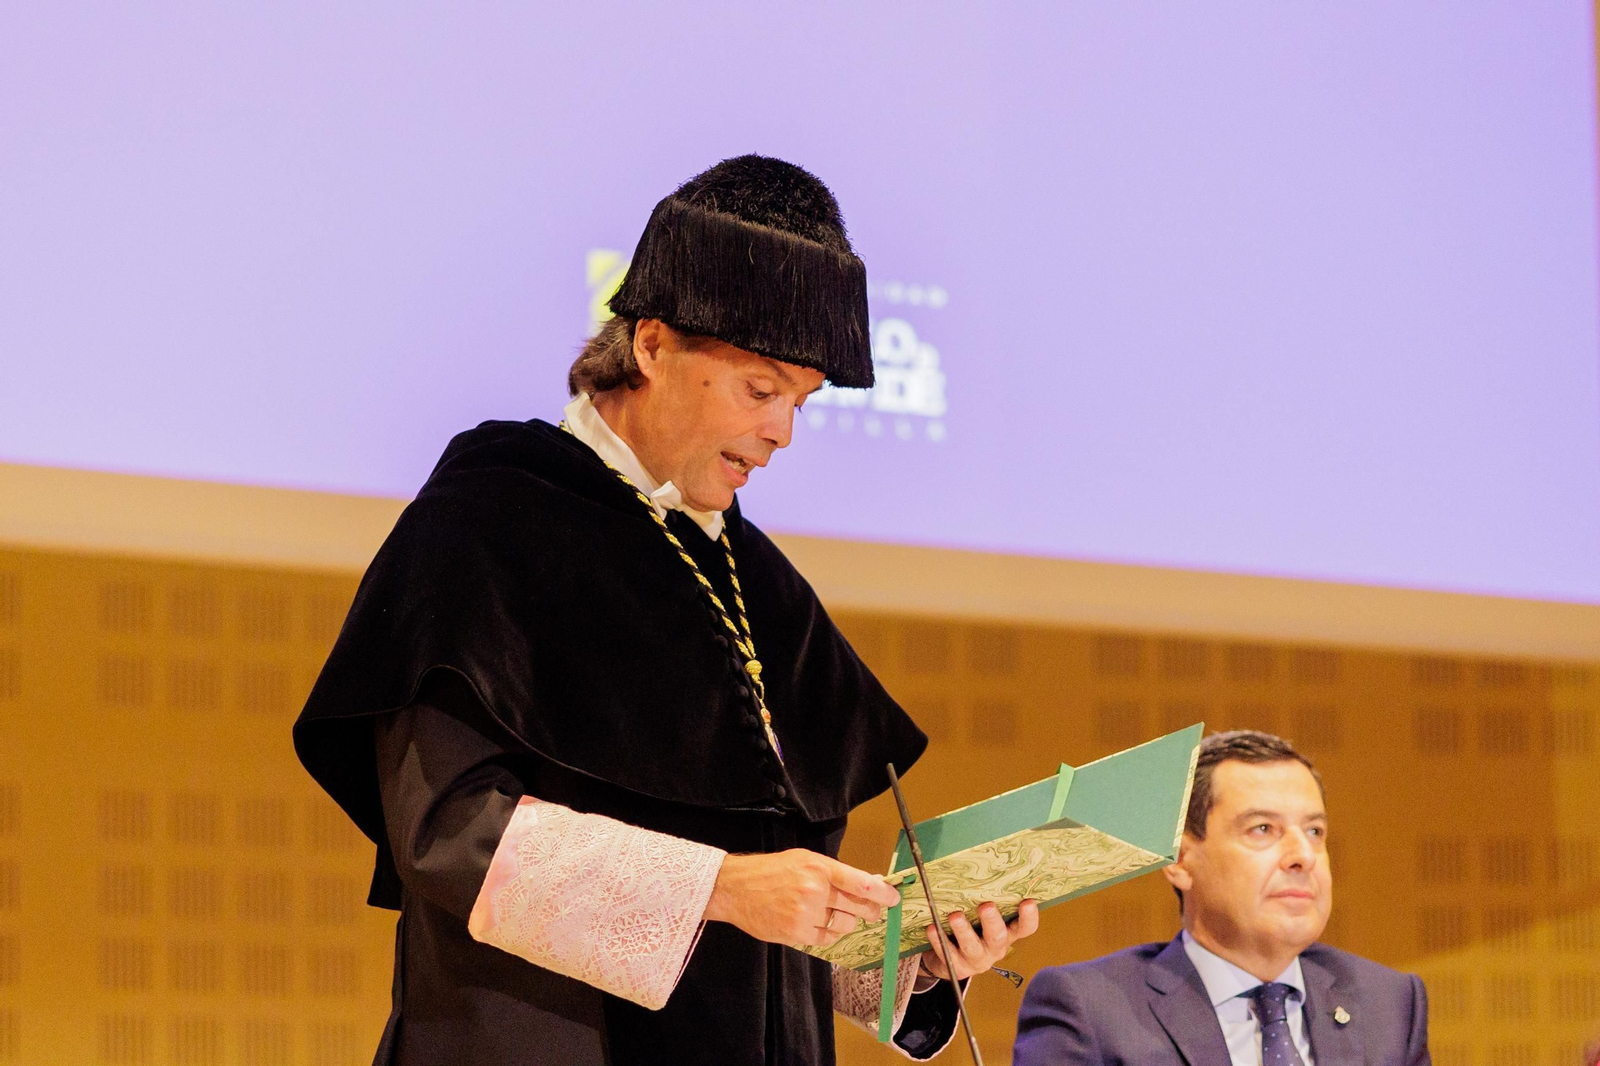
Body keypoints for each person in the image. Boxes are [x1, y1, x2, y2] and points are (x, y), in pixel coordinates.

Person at [294, 154, 1037, 1066]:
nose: (782, 432)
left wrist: (908, 962)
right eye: (761, 391)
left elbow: (767, 934)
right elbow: (450, 836)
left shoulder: (754, 582)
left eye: (800, 402)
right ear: (650, 345)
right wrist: (721, 886)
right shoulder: (493, 518)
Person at [1014, 730, 1429, 1066]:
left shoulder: (1390, 1005)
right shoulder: (1092, 1010)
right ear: (1179, 860)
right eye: (1263, 829)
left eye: (1315, 831)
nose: (1303, 856)